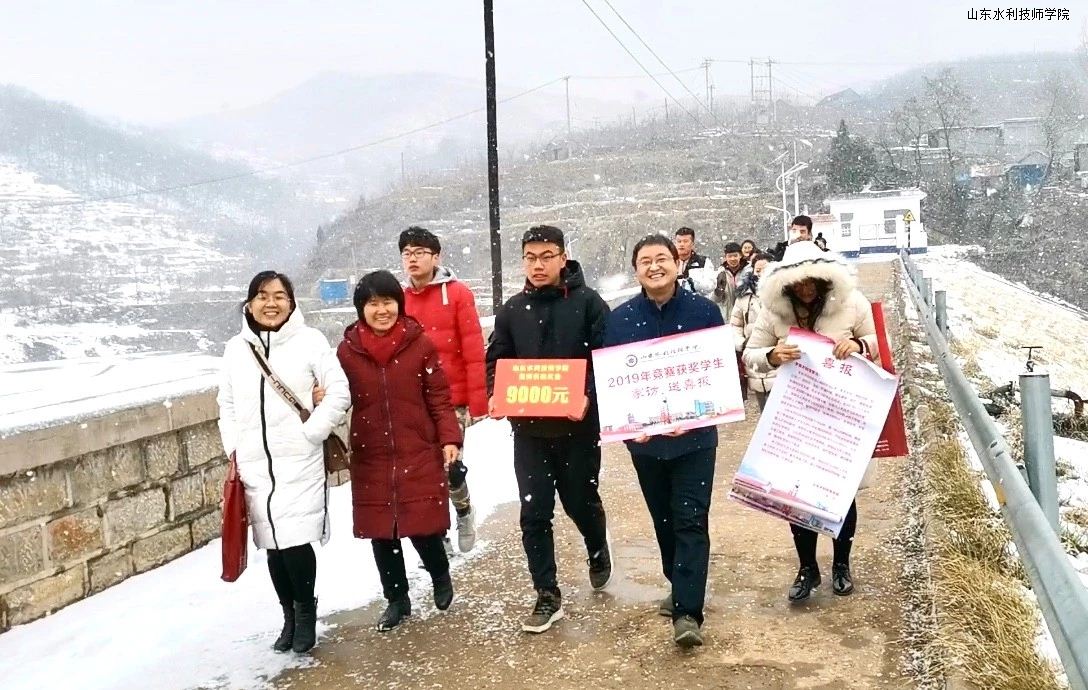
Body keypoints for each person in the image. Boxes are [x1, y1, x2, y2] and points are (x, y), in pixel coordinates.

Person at [216, 270, 351, 654]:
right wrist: (235, 448)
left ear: (291, 302)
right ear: (249, 303)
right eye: (262, 295)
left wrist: (314, 431)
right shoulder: (236, 350)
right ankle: (288, 615)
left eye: (279, 295)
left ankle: (305, 612)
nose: (270, 303)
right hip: (255, 464)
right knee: (273, 545)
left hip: (299, 461)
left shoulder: (310, 341)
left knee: (294, 541)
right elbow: (226, 404)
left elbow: (339, 391)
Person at [486, 225, 612, 634]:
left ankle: (596, 544)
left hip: (578, 430)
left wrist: (587, 395)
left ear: (563, 258)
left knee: (580, 502)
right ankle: (546, 593)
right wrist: (495, 393)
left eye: (546, 256)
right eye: (530, 257)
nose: (537, 265)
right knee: (534, 512)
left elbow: (608, 358)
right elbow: (497, 360)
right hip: (529, 433)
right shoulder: (511, 310)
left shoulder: (589, 304)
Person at [603, 234, 725, 649]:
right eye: (645, 261)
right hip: (646, 444)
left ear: (678, 263)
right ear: (636, 270)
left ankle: (687, 613)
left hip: (695, 442)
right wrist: (626, 423)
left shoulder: (704, 312)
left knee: (690, 518)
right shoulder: (619, 320)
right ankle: (679, 582)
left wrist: (696, 417)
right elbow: (611, 382)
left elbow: (721, 374)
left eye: (662, 258)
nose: (654, 266)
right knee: (664, 520)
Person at [742, 241, 877, 603]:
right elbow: (750, 354)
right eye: (797, 284)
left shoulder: (852, 302)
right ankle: (807, 567)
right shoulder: (773, 311)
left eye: (810, 282)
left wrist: (859, 347)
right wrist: (772, 355)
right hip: (796, 412)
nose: (804, 289)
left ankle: (841, 565)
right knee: (796, 492)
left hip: (841, 411)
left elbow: (880, 340)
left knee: (841, 491)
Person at [336, 270, 463, 632]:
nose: (382, 310)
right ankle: (397, 599)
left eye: (388, 302)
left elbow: (439, 397)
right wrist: (320, 394)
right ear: (361, 309)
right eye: (373, 304)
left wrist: (449, 439)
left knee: (423, 526)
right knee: (383, 533)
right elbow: (335, 395)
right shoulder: (347, 352)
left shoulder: (419, 344)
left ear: (399, 304)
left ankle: (440, 574)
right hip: (372, 454)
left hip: (416, 449)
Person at [399, 226, 485, 555]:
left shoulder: (458, 294)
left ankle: (463, 511)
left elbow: (473, 349)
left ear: (436, 257)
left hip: (452, 400)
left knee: (450, 468)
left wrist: (478, 400)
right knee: (423, 473)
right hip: (413, 401)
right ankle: (438, 533)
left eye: (420, 252)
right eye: (407, 253)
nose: (413, 259)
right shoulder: (398, 299)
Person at [730, 252, 774, 410]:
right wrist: (742, 343)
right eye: (758, 270)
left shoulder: (781, 294)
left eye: (765, 269)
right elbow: (735, 325)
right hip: (753, 356)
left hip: (776, 356)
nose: (761, 274)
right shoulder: (744, 296)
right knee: (764, 407)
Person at [674, 227, 717, 296]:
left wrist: (691, 281)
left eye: (685, 241)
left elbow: (711, 286)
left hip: (697, 300)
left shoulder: (703, 262)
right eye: (679, 241)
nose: (681, 244)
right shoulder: (669, 262)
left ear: (692, 244)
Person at [714, 241, 747, 317]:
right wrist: (718, 290)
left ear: (740, 255)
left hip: (744, 315)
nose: (732, 259)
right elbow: (715, 300)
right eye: (729, 256)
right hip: (726, 315)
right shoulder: (720, 272)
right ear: (725, 257)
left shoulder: (748, 271)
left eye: (735, 256)